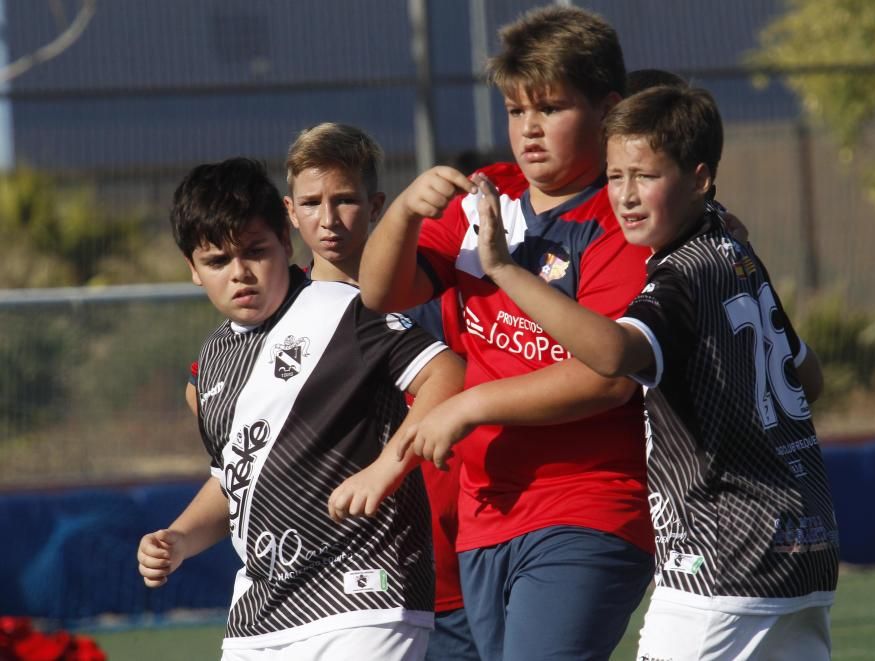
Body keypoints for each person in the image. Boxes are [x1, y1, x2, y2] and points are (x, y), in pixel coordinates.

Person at [444, 84, 839, 660]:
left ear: (700, 179)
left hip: (720, 560)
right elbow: (808, 379)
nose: (625, 197)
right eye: (615, 177)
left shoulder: (679, 275)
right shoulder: (737, 256)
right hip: (804, 547)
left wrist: (502, 268)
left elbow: (610, 356)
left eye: (645, 177)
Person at [360, 6, 655, 660]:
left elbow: (608, 376)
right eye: (517, 111)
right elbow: (382, 291)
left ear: (608, 109)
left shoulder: (620, 217)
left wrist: (470, 404)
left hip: (587, 505)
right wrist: (405, 210)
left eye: (550, 108)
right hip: (486, 511)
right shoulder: (490, 192)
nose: (529, 129)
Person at [137, 156, 465, 660]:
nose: (240, 273)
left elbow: (447, 374)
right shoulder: (208, 367)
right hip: (260, 614)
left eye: (255, 251)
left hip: (365, 595)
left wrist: (386, 468)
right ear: (193, 269)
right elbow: (236, 477)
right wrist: (179, 537)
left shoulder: (345, 310)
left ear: (286, 243)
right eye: (218, 261)